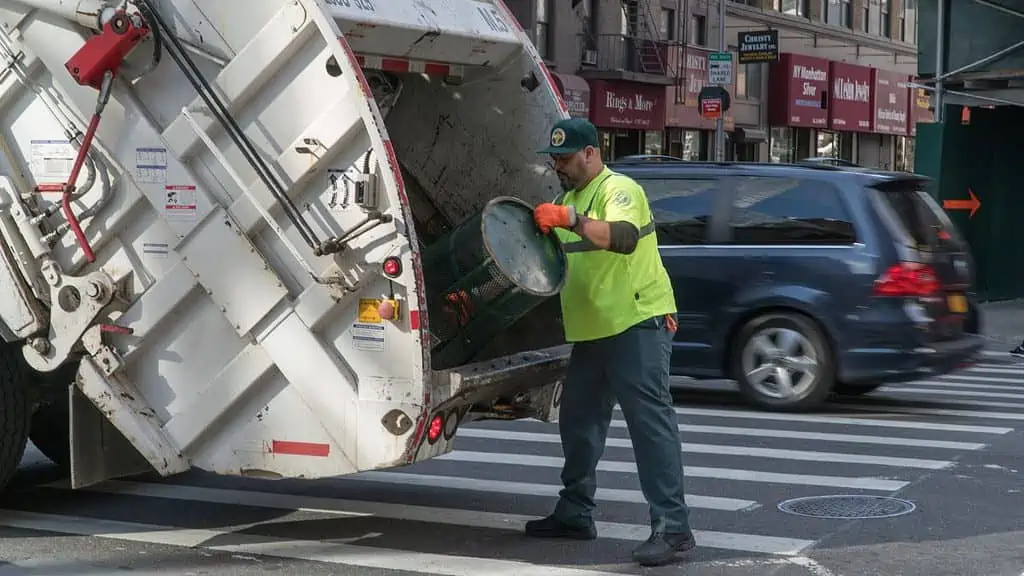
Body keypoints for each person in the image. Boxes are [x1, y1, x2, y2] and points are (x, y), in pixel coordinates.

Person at [524, 117, 695, 567]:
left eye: (565, 158)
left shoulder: (620, 189)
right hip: (593, 330)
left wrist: (570, 219)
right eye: (554, 159)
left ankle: (673, 530)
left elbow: (620, 238)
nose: (558, 166)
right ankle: (576, 511)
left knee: (649, 426)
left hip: (636, 323)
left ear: (591, 153)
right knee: (578, 422)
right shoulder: (568, 197)